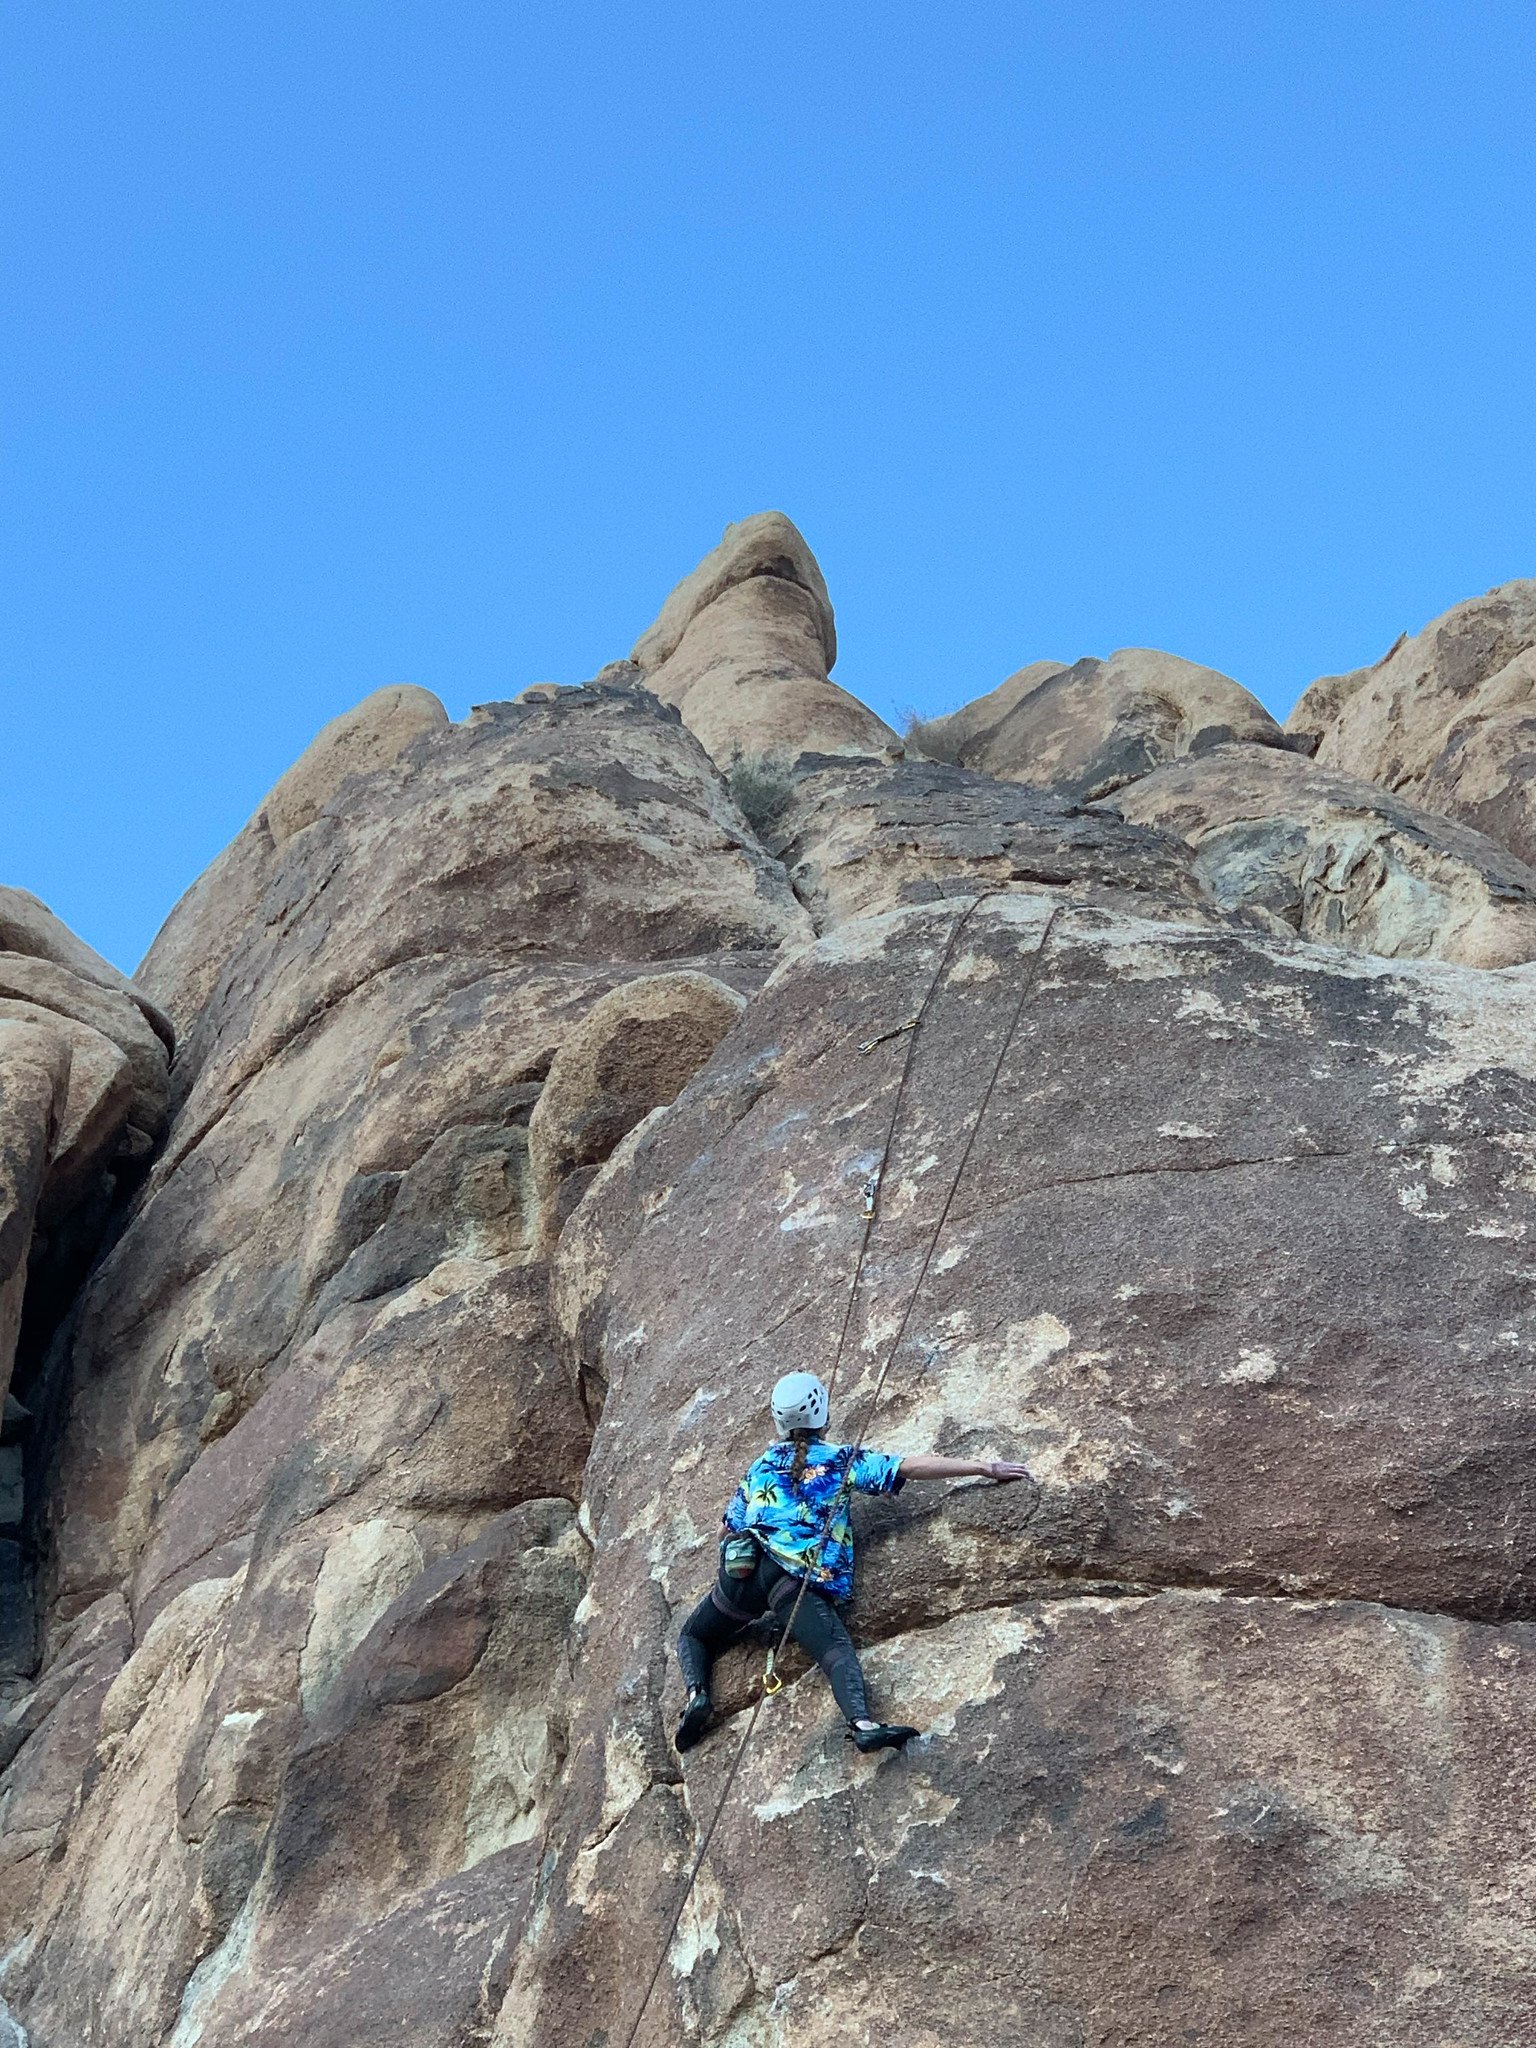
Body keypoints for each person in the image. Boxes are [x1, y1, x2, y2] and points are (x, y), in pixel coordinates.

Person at [674, 1370, 1032, 1755]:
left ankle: (697, 1695)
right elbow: (907, 1467)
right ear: (821, 1415)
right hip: (791, 1583)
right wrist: (983, 1467)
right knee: (835, 1653)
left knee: (694, 1634)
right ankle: (861, 1724)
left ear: (779, 1420)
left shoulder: (761, 1464)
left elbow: (728, 1529)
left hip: (742, 1574)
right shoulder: (840, 1460)